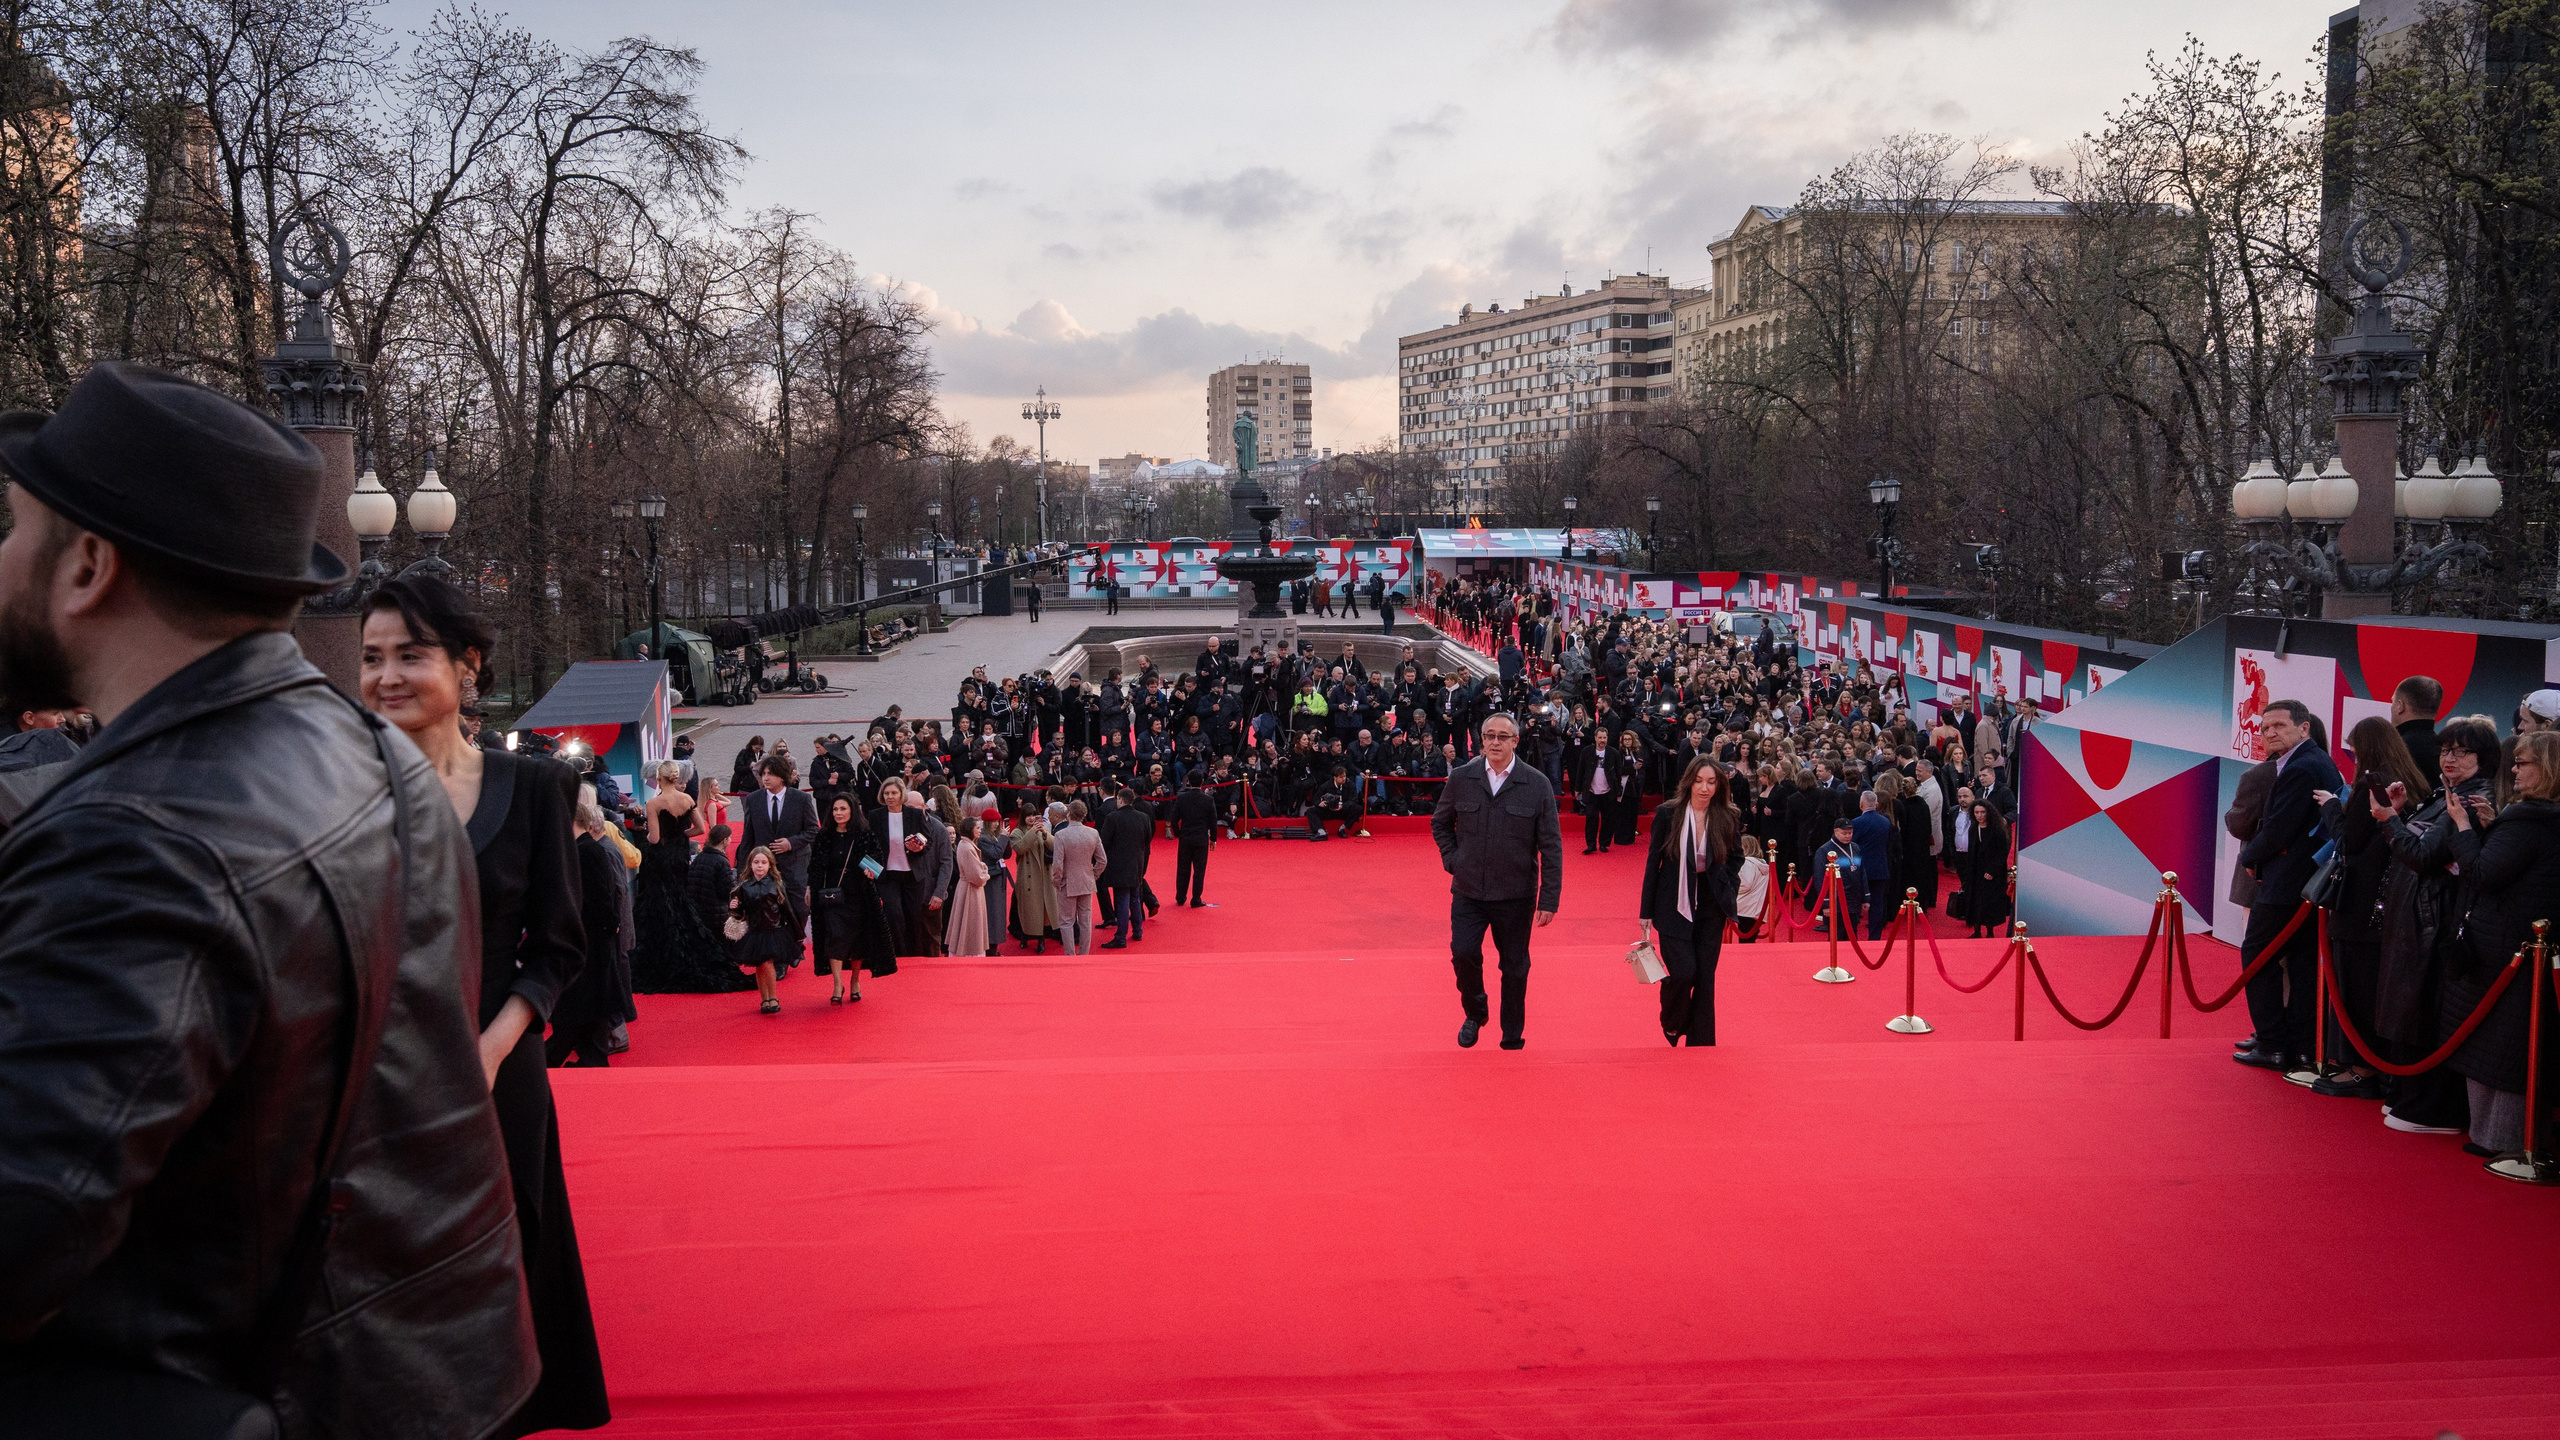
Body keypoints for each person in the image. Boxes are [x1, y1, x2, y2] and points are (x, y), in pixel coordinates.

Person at [0, 361, 536, 1433]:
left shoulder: (135, 839)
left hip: (254, 1391)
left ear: (89, 567)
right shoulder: (376, 756)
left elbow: (24, 1216)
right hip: (412, 1382)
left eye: (13, 528)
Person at [358, 575, 613, 1432]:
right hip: (371, 1077)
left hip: (499, 1070)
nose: (387, 675)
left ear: (468, 666)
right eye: (371, 657)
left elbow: (558, 949)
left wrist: (496, 1046)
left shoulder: (534, 788)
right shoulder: (339, 788)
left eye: (410, 655)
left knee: (504, 1253)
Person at [2439, 728, 2560, 1158]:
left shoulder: (2531, 821)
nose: (2513, 769)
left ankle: (2503, 1141)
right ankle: (2492, 1138)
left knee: (2505, 1050)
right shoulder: (2530, 819)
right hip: (2510, 946)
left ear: (2546, 770)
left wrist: (2461, 827)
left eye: (2523, 763)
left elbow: (2483, 873)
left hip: (2509, 950)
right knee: (2495, 1046)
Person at [1431, 712, 1564, 1050]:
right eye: (1488, 735)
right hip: (1469, 890)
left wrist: (1549, 899)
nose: (1493, 742)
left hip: (1515, 895)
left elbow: (1551, 845)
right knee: (1462, 953)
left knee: (1515, 967)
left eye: (1501, 737)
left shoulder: (1536, 784)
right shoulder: (1462, 778)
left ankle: (1511, 1032)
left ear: (1515, 741)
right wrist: (1453, 859)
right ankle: (1476, 1012)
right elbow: (1440, 823)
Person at [2233, 700, 2344, 1074]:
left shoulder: (2303, 767)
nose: (2270, 734)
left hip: (2289, 883)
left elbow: (2280, 827)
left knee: (2257, 956)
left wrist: (2251, 859)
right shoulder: (2312, 762)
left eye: (2279, 725)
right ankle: (2298, 1044)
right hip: (2306, 882)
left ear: (2304, 728)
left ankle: (2273, 1042)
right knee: (2300, 965)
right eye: (2265, 729)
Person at [1640, 757, 1744, 1047]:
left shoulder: (1727, 816)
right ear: (1689, 781)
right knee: (1685, 972)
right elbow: (1653, 863)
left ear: (1719, 785)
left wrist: (1727, 884)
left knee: (1706, 977)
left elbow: (1736, 857)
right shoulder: (1667, 814)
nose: (1704, 788)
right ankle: (1673, 1021)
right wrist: (1645, 910)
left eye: (1711, 782)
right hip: (1672, 903)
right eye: (1699, 781)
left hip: (1711, 904)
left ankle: (1702, 1043)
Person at [628, 756, 750, 994]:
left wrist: (643, 831)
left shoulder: (654, 804)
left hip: (661, 859)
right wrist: (680, 835)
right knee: (681, 901)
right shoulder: (687, 799)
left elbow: (653, 838)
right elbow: (702, 829)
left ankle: (665, 950)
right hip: (680, 856)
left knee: (662, 904)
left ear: (659, 778)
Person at [810, 795, 897, 1002]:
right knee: (834, 937)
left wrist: (870, 872)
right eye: (835, 809)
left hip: (858, 894)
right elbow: (814, 865)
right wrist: (809, 888)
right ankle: (837, 984)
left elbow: (877, 858)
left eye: (843, 809)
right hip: (830, 895)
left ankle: (855, 980)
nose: (838, 813)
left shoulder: (864, 835)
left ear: (852, 811)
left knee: (857, 941)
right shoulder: (824, 836)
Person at [741, 756, 819, 933]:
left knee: (800, 909)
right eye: (764, 774)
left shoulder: (801, 799)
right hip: (765, 868)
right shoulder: (754, 799)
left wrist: (791, 843)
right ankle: (779, 953)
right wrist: (742, 871)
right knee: (769, 912)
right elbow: (748, 836)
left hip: (795, 865)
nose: (766, 778)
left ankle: (796, 945)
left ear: (782, 776)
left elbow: (813, 829)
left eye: (771, 774)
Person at [730, 847, 796, 1013]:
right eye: (756, 862)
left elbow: (787, 909)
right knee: (759, 965)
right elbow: (739, 914)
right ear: (750, 865)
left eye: (763, 862)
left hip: (773, 931)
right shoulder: (744, 887)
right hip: (754, 932)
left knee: (767, 963)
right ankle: (764, 999)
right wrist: (734, 908)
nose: (760, 866)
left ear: (770, 865)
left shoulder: (776, 884)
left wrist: (798, 934)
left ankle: (773, 997)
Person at [1099, 787, 1154, 948]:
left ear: (1121, 800)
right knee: (1135, 898)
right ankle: (1137, 931)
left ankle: (1121, 937)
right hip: (1137, 863)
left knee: (1122, 900)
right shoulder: (1143, 817)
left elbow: (1104, 842)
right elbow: (1147, 839)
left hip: (1118, 865)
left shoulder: (1112, 818)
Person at [1050, 799, 1107, 953]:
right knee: (1085, 921)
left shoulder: (1061, 835)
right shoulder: (1093, 833)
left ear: (1069, 814)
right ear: (1084, 815)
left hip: (1067, 883)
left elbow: (1058, 865)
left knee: (1067, 922)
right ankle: (1084, 953)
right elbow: (1102, 861)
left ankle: (1070, 955)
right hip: (1086, 882)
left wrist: (1057, 881)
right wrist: (1093, 875)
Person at [1012, 807, 1060, 952]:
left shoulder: (1043, 829)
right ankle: (1025, 936)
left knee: (1044, 911)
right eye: (1028, 816)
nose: (1032, 819)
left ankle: (1041, 939)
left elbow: (1055, 846)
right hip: (1028, 876)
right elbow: (1020, 848)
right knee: (1029, 910)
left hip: (1044, 876)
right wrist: (1032, 833)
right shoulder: (1017, 832)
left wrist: (1045, 833)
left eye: (1034, 815)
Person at [1849, 789, 1895, 940]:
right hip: (1880, 867)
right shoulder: (1885, 821)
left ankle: (1852, 935)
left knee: (1855, 903)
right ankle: (1875, 937)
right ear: (1876, 804)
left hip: (1861, 870)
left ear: (1861, 804)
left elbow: (1852, 846)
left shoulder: (1856, 823)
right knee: (1877, 903)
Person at [947, 815, 993, 956]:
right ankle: (970, 953)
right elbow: (977, 878)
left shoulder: (964, 845)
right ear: (970, 830)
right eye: (977, 828)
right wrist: (985, 871)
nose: (980, 830)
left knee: (966, 922)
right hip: (970, 890)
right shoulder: (967, 848)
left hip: (967, 888)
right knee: (971, 923)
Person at [1171, 773, 1217, 905]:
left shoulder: (1182, 798)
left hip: (1185, 837)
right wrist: (1213, 839)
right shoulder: (1208, 800)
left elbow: (1174, 819)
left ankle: (1180, 897)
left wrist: (1179, 833)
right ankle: (1196, 898)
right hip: (1201, 838)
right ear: (1202, 782)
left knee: (1182, 869)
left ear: (1189, 782)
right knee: (1199, 870)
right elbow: (1213, 822)